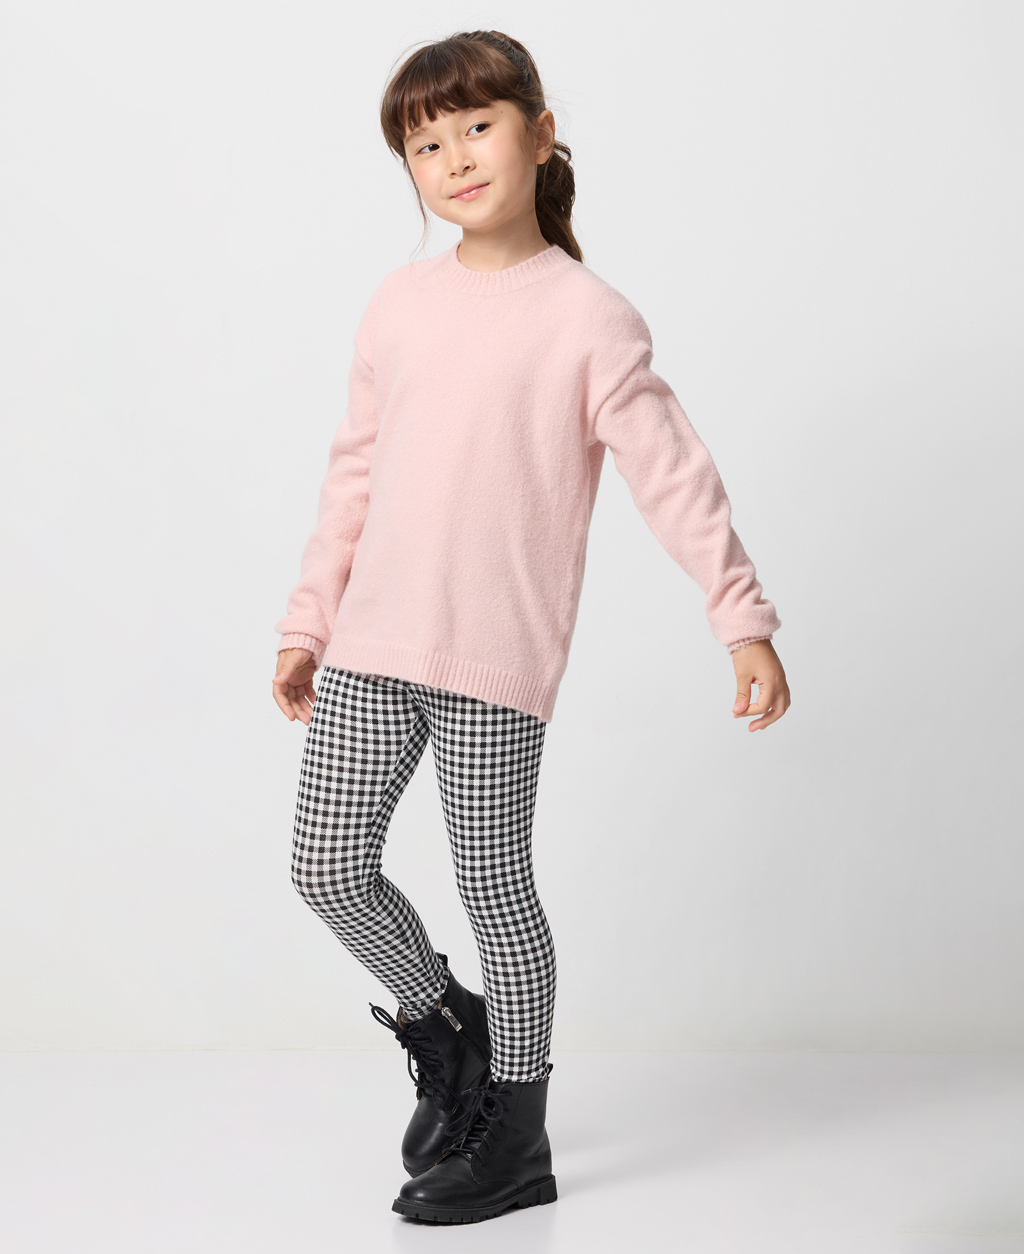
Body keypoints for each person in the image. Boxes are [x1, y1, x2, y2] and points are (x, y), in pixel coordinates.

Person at [271, 29, 791, 1225]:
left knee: (493, 885)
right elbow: (352, 476)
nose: (454, 157)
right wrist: (308, 619)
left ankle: (518, 1131)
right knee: (325, 865)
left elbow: (674, 476)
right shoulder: (399, 305)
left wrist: (741, 619)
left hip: (494, 658)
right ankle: (445, 1027)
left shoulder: (587, 317)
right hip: (371, 644)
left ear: (540, 133)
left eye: (477, 126)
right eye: (425, 143)